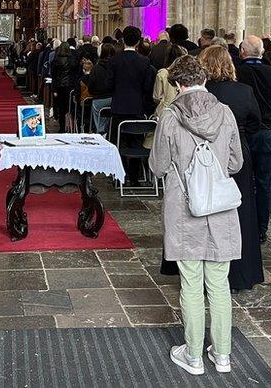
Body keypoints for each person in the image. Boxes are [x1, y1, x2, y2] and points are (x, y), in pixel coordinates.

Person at [149, 55, 243, 376]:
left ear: (178, 84)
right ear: (204, 79)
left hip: (184, 208)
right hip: (219, 206)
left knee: (191, 284)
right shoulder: (226, 114)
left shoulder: (170, 117)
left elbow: (158, 166)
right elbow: (235, 163)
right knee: (219, 284)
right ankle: (223, 355)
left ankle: (193, 356)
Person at [200, 45, 265, 291]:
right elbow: (255, 122)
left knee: (206, 212)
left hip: (205, 155)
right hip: (237, 152)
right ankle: (240, 273)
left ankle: (207, 272)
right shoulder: (244, 91)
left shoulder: (203, 92)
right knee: (240, 213)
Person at [237, 35, 271, 243]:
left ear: (243, 52)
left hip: (243, 131)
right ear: (261, 52)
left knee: (240, 179)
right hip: (266, 131)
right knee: (263, 182)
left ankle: (243, 225)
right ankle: (261, 228)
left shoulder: (238, 72)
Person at [107, 26, 156, 182]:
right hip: (136, 107)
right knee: (136, 143)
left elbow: (109, 85)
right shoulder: (144, 62)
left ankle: (120, 175)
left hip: (118, 107)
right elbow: (148, 87)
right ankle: (134, 177)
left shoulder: (114, 60)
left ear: (123, 40)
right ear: (138, 41)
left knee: (118, 142)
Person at [83, 43, 115, 135]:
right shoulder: (115, 67)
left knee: (98, 115)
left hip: (99, 99)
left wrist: (94, 93)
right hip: (113, 98)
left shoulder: (96, 68)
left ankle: (100, 131)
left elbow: (91, 86)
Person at [51, 42, 80, 133]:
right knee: (72, 107)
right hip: (70, 86)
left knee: (62, 108)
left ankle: (62, 127)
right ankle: (74, 127)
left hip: (60, 86)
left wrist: (54, 88)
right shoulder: (73, 60)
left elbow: (54, 75)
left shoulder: (56, 60)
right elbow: (76, 74)